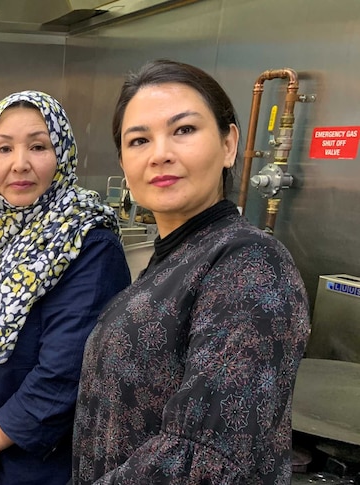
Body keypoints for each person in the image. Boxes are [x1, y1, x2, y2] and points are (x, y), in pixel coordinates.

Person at [71, 59, 311, 484]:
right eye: (139, 139)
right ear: (124, 164)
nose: (160, 153)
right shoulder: (175, 257)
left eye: (184, 130)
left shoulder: (250, 263)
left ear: (229, 144)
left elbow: (203, 461)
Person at [0, 91, 131, 485]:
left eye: (38, 146)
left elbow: (65, 374)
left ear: (61, 155)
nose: (20, 164)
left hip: (43, 465)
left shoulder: (89, 242)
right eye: (3, 148)